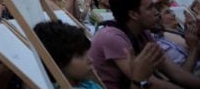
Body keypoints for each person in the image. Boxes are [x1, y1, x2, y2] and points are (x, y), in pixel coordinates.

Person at [89, 0, 200, 89]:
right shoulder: (111, 38)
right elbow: (146, 82)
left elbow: (174, 72)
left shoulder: (142, 32)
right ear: (134, 14)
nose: (156, 12)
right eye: (150, 8)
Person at [35, 21, 163, 89]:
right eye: (80, 55)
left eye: (87, 52)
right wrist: (137, 79)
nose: (90, 59)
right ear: (58, 62)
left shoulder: (85, 83)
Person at [153, 2, 200, 75]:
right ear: (158, 19)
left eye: (172, 11)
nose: (174, 14)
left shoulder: (177, 32)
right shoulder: (166, 37)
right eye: (167, 12)